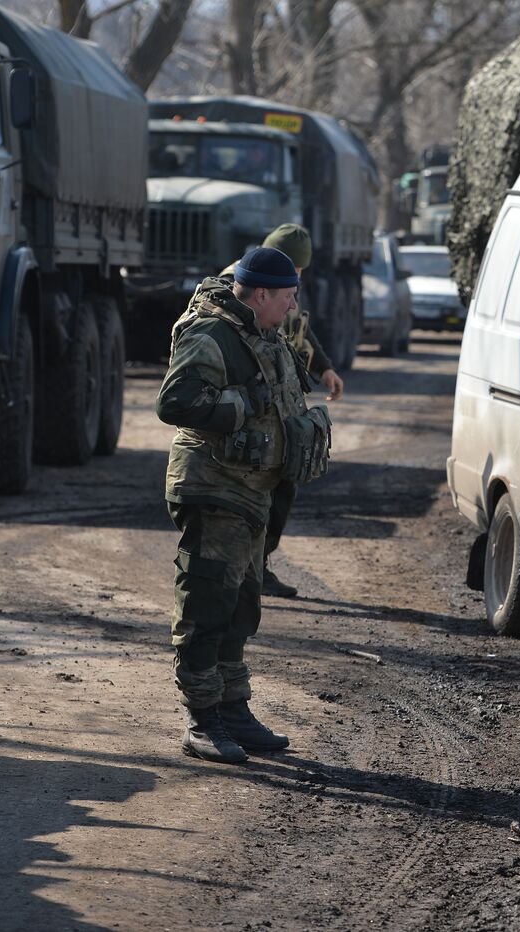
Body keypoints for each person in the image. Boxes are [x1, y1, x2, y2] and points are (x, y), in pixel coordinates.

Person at [157, 246, 334, 763]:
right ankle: (202, 719)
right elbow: (175, 402)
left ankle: (233, 710)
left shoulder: (262, 332)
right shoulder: (212, 334)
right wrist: (246, 402)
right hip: (214, 487)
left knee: (241, 608)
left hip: (252, 490)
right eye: (287, 295)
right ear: (260, 294)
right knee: (207, 607)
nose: (293, 304)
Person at [216, 223, 344, 597]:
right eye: (293, 267)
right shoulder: (239, 285)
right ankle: (240, 572)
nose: (296, 278)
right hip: (250, 409)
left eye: (300, 271)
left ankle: (258, 565)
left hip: (280, 405)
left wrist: (325, 368)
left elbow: (298, 327)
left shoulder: (279, 286)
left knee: (283, 486)